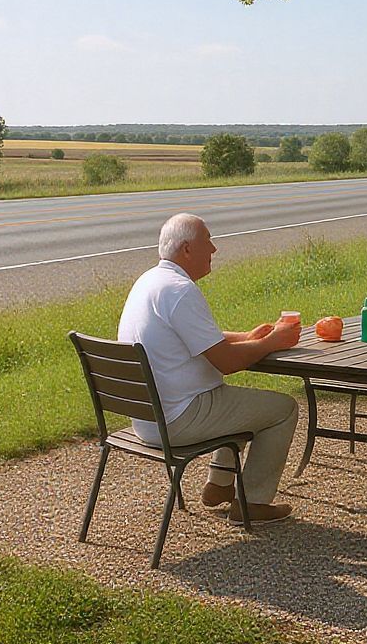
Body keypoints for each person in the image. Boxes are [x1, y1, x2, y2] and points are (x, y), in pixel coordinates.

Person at [117, 212, 301, 525]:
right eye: (208, 241)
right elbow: (227, 363)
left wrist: (246, 337)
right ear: (187, 249)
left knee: (237, 403)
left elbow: (198, 339)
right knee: (282, 409)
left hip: (148, 419)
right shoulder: (180, 290)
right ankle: (253, 503)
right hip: (178, 420)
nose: (214, 249)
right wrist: (273, 342)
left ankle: (219, 485)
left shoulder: (151, 281)